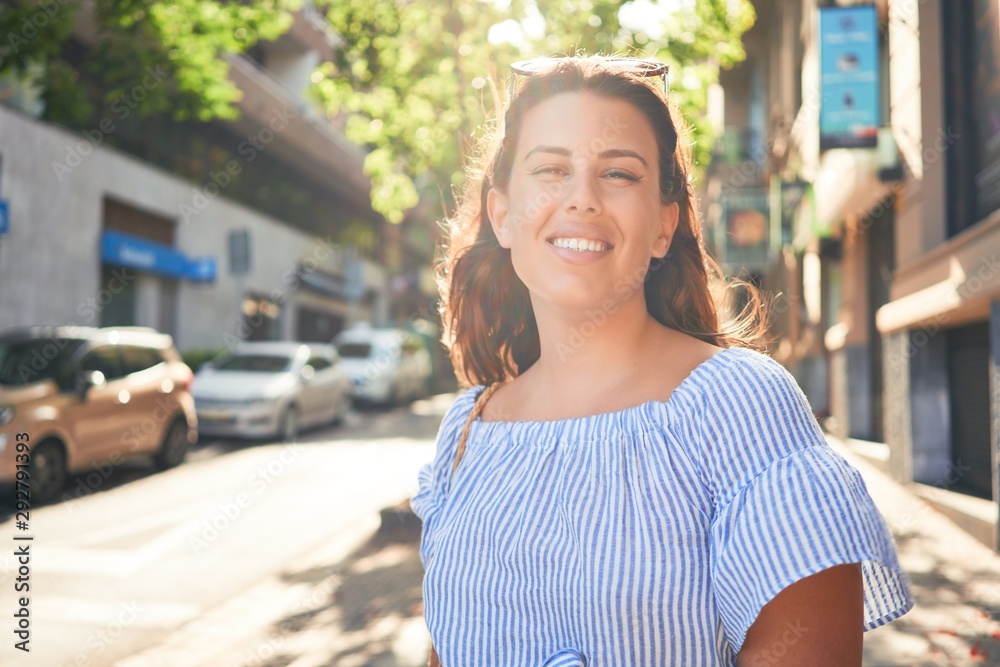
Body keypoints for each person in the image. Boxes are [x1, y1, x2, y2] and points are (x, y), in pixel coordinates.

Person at [411, 55, 913, 666]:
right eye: (549, 168)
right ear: (502, 215)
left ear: (663, 226)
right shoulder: (465, 430)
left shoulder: (736, 404)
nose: (582, 199)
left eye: (619, 174)